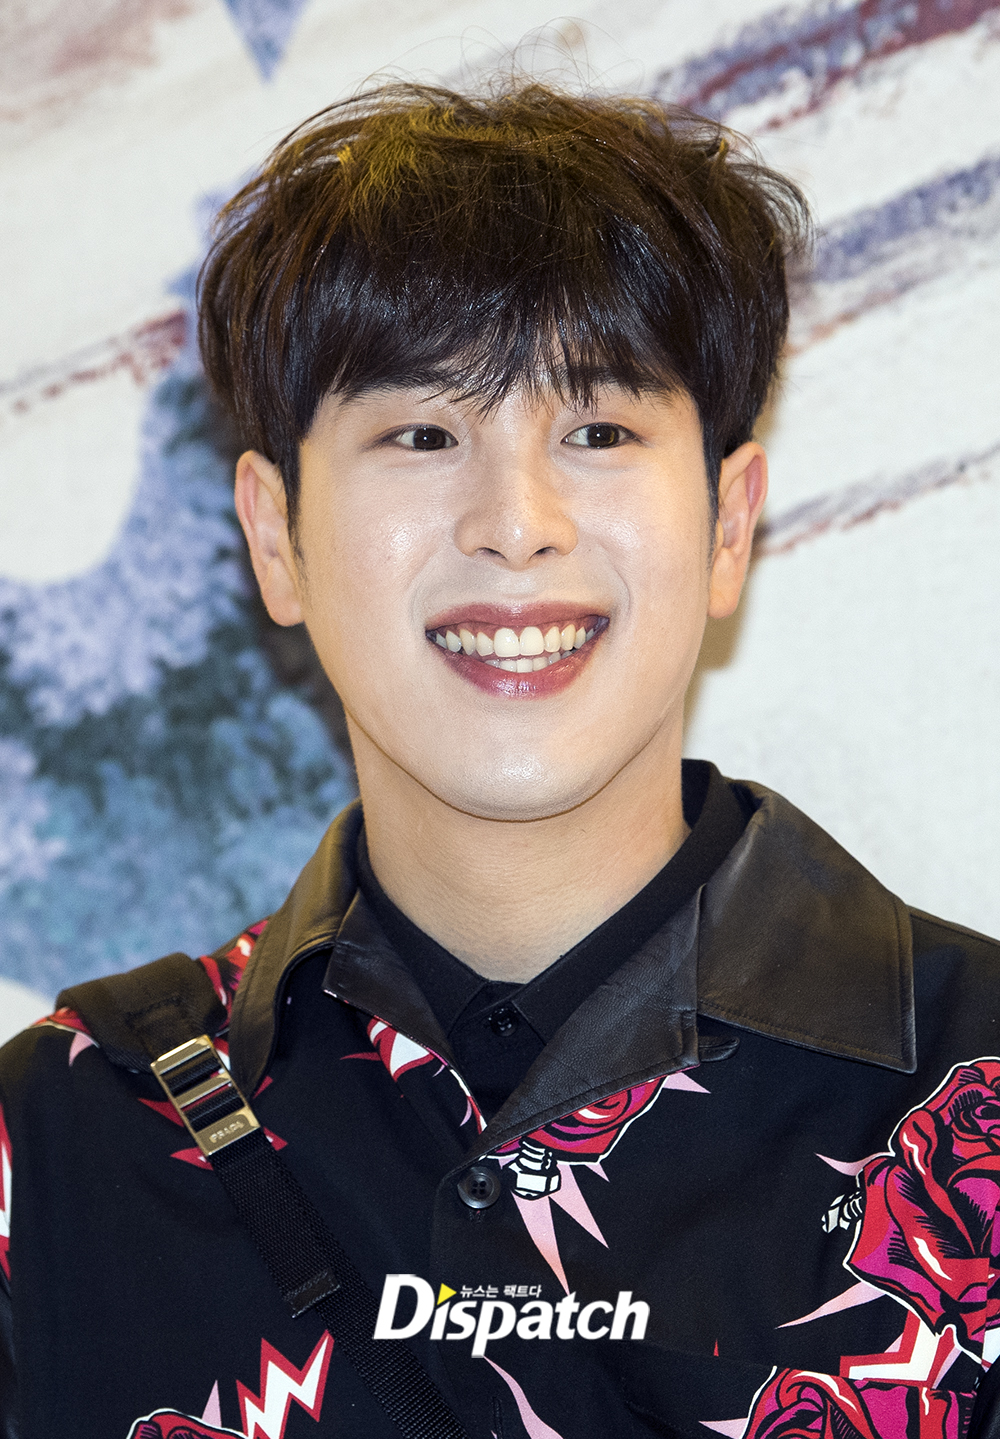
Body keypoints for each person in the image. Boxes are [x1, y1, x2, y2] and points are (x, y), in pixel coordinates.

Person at [1, 79, 999, 1439]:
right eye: (422, 434)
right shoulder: (57, 1146)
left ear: (728, 523)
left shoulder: (974, 1086)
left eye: (598, 432)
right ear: (276, 536)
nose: (516, 523)